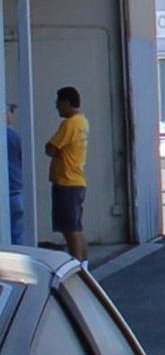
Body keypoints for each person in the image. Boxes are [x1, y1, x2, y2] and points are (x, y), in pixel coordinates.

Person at [46, 85, 88, 263]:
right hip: (76, 180)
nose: (56, 106)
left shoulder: (69, 123)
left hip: (67, 181)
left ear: (66, 102)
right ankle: (83, 262)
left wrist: (50, 148)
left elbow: (51, 148)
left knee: (69, 228)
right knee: (75, 226)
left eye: (58, 103)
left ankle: (77, 264)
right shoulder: (82, 121)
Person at [6, 101, 23, 247]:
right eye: (11, 110)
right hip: (15, 191)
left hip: (10, 192)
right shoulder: (15, 136)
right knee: (17, 237)